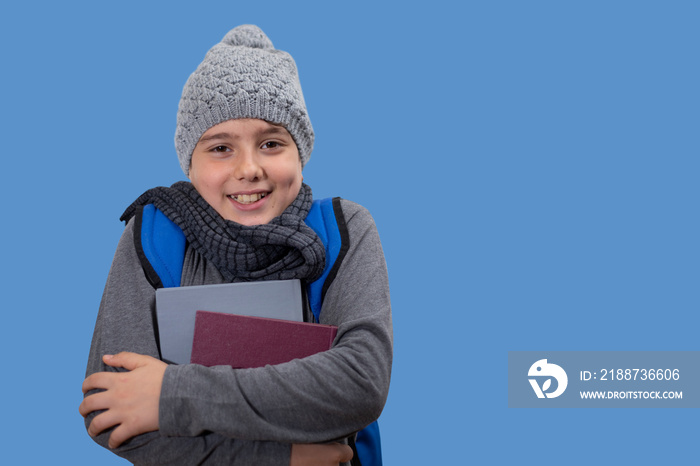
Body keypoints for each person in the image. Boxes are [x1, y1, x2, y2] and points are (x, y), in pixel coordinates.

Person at [79, 24, 393, 465]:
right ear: (190, 164)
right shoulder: (153, 236)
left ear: (299, 154)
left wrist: (171, 392)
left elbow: (360, 382)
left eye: (271, 143)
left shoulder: (344, 229)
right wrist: (281, 458)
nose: (249, 169)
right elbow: (110, 408)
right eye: (221, 147)